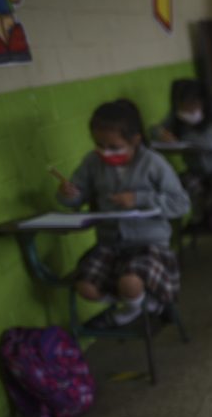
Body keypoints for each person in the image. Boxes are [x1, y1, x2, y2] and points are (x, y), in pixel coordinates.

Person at [57, 99, 190, 328]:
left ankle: (129, 310)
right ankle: (144, 306)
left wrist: (139, 199)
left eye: (114, 146)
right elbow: (75, 197)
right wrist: (68, 194)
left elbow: (181, 203)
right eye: (99, 144)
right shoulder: (92, 162)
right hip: (110, 244)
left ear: (135, 140)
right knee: (85, 287)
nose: (105, 152)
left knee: (129, 282)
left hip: (149, 244)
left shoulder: (153, 163)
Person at [153, 79, 212, 230]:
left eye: (191, 105)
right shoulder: (177, 116)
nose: (187, 111)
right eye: (182, 106)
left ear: (201, 101)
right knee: (182, 184)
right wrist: (161, 134)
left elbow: (211, 140)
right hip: (197, 171)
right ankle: (201, 217)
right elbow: (156, 130)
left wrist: (179, 140)